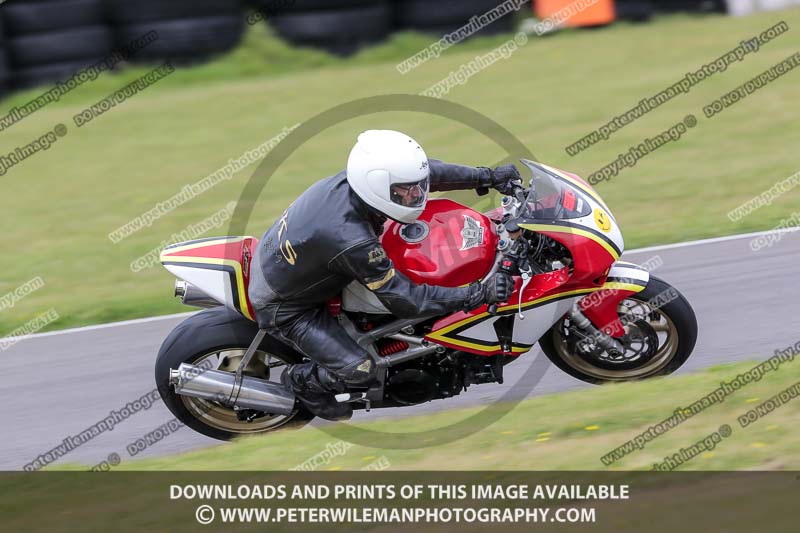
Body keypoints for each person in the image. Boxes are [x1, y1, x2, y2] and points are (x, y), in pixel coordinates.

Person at [248, 130, 520, 420]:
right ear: (377, 186)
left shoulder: (359, 185)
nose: (417, 195)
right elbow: (407, 301)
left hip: (298, 261)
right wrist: (478, 293)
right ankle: (302, 381)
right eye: (407, 190)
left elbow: (431, 173)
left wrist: (487, 177)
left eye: (417, 187)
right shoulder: (351, 239)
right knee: (361, 370)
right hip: (287, 307)